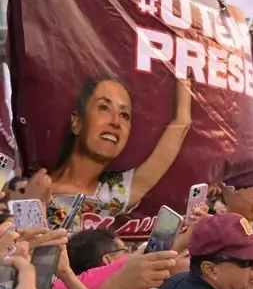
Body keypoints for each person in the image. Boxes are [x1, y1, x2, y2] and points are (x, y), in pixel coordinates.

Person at [47, 75, 193, 229]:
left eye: (124, 115)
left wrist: (185, 76)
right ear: (76, 122)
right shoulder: (34, 189)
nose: (116, 122)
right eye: (104, 108)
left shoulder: (115, 192)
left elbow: (182, 124)